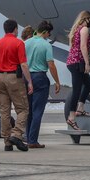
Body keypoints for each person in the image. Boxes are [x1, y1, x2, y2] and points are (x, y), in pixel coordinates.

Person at [0, 19, 33, 152]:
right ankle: (17, 134)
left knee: (4, 111)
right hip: (14, 76)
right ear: (15, 29)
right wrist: (29, 81)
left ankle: (7, 141)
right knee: (23, 109)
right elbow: (24, 64)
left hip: (0, 76)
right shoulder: (18, 43)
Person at [24, 20, 60, 148]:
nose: (48, 37)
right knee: (38, 110)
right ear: (45, 32)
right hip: (40, 77)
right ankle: (33, 140)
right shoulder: (46, 45)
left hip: (26, 77)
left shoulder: (25, 43)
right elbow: (51, 64)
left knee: (28, 110)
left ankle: (28, 138)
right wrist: (57, 81)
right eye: (48, 34)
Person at [65, 11, 90, 130]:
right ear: (86, 19)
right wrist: (87, 63)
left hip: (73, 61)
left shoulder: (76, 29)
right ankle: (71, 118)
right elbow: (83, 46)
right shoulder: (84, 29)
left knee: (88, 84)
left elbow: (72, 47)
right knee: (77, 90)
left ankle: (80, 108)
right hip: (78, 63)